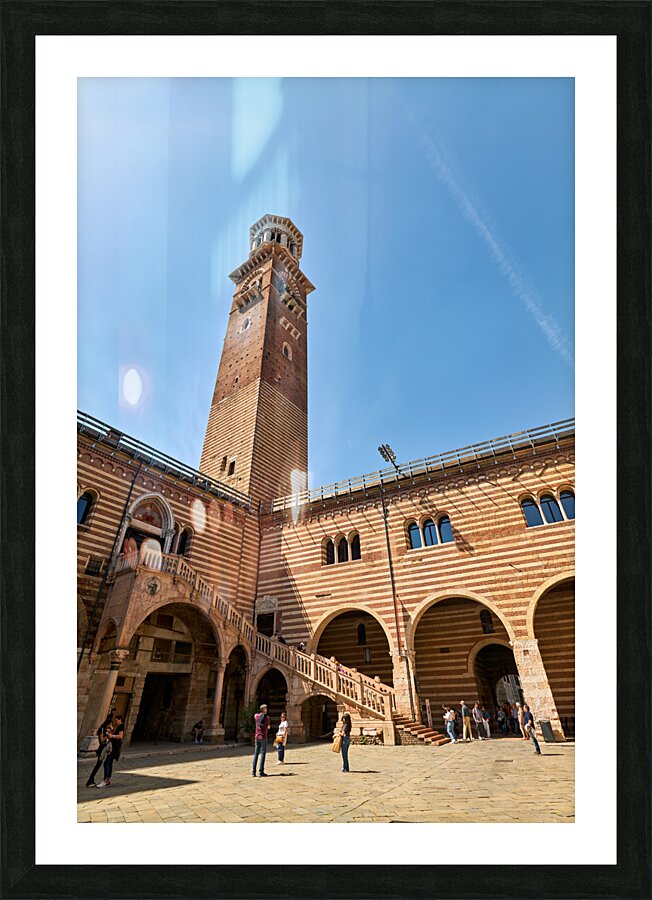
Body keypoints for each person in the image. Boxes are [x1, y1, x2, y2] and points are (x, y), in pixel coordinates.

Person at [85, 712, 114, 788]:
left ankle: (94, 780)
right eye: (110, 724)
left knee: (100, 764)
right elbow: (101, 740)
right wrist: (107, 735)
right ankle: (90, 781)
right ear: (107, 723)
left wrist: (110, 732)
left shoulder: (106, 729)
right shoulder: (102, 729)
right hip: (102, 748)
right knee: (98, 765)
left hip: (105, 748)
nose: (110, 726)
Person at [97, 715, 125, 788]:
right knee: (110, 763)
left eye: (116, 720)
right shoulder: (119, 726)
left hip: (114, 748)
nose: (116, 722)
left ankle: (105, 780)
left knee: (106, 763)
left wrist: (112, 736)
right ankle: (108, 779)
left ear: (120, 720)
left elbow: (120, 736)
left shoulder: (121, 726)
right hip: (114, 747)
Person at [252, 704, 270, 777]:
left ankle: (253, 772)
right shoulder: (267, 718)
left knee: (256, 754)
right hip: (263, 737)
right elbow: (268, 727)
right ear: (264, 710)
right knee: (263, 754)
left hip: (257, 737)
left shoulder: (256, 716)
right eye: (266, 708)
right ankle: (261, 771)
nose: (267, 709)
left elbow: (255, 715)